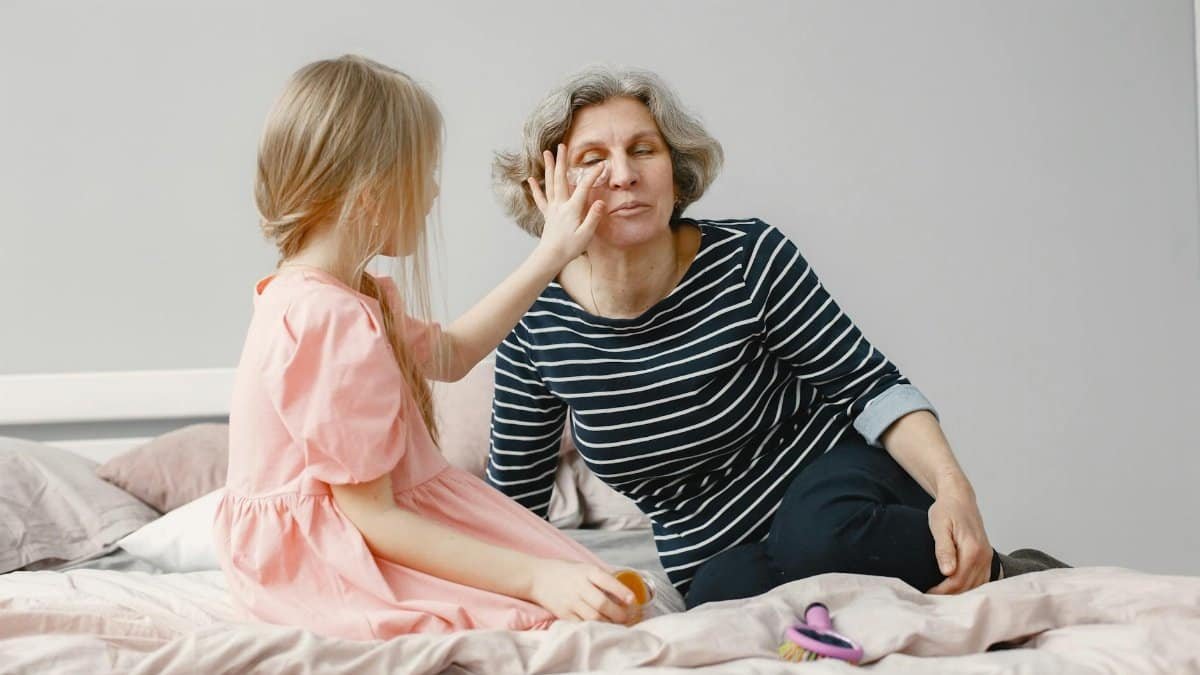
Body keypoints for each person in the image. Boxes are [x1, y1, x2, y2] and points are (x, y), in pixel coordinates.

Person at [487, 66, 1067, 609]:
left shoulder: (747, 257)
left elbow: (871, 386)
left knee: (819, 533)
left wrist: (954, 491)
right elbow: (512, 503)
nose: (624, 173)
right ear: (546, 188)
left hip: (842, 494)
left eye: (644, 149)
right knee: (726, 598)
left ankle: (1015, 574)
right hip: (713, 554)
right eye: (592, 158)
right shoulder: (533, 324)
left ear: (674, 168)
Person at [213, 55, 636, 641]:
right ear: (369, 189)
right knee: (556, 606)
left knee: (587, 584)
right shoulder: (329, 318)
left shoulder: (333, 294)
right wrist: (536, 579)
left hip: (353, 532)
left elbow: (454, 353)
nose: (434, 192)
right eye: (424, 172)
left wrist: (552, 253)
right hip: (331, 559)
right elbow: (373, 516)